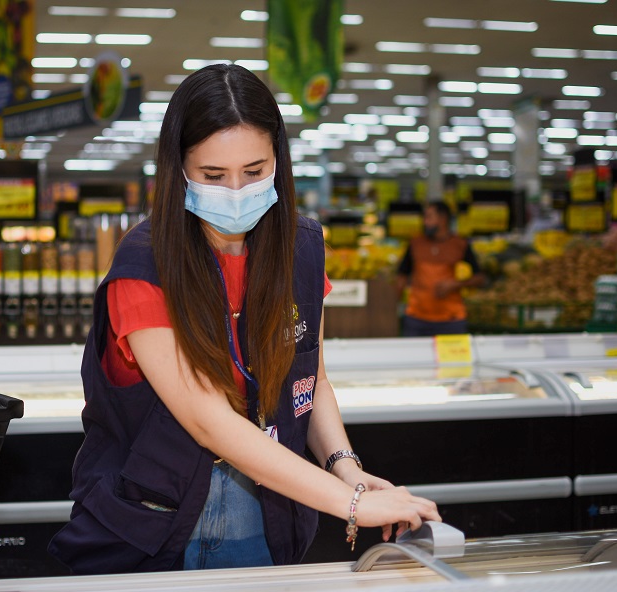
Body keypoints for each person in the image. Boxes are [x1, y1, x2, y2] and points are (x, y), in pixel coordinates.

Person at [48, 64, 440, 575]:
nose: (236, 190)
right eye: (213, 176)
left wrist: (346, 468)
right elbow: (206, 420)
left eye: (254, 172)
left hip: (266, 516)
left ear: (278, 160)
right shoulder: (145, 265)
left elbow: (311, 380)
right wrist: (351, 505)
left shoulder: (300, 249)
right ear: (178, 168)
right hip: (151, 526)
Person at [395, 202, 486, 337]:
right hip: (416, 318)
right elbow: (401, 276)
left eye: (429, 217)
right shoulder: (416, 244)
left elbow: (480, 278)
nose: (425, 222)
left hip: (451, 319)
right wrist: (393, 307)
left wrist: (454, 284)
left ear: (443, 219)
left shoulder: (460, 245)